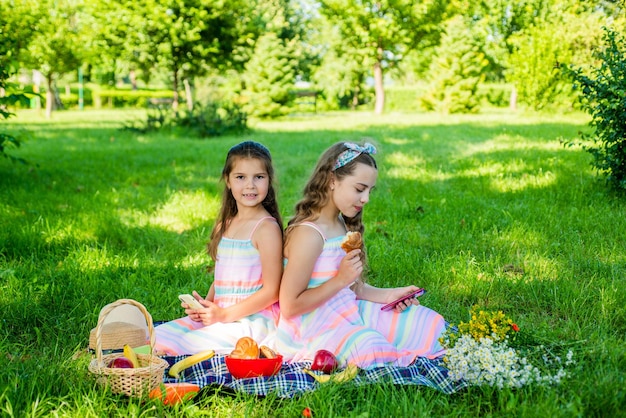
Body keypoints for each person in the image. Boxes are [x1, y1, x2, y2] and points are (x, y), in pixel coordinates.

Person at [276, 141, 447, 368]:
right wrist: (340, 280)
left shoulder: (340, 223)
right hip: (314, 327)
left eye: (369, 190)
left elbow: (353, 288)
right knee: (371, 348)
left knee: (430, 323)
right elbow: (289, 307)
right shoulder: (309, 235)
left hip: (347, 312)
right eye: (359, 189)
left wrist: (390, 295)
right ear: (331, 181)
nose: (366, 198)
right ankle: (379, 346)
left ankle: (384, 340)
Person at [155, 141, 283, 355]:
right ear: (228, 180)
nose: (250, 185)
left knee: (187, 345)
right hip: (221, 315)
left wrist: (223, 316)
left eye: (258, 177)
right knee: (157, 336)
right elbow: (221, 278)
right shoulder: (225, 224)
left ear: (269, 181)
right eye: (240, 177)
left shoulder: (266, 229)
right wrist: (206, 307)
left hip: (251, 320)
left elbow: (272, 291)